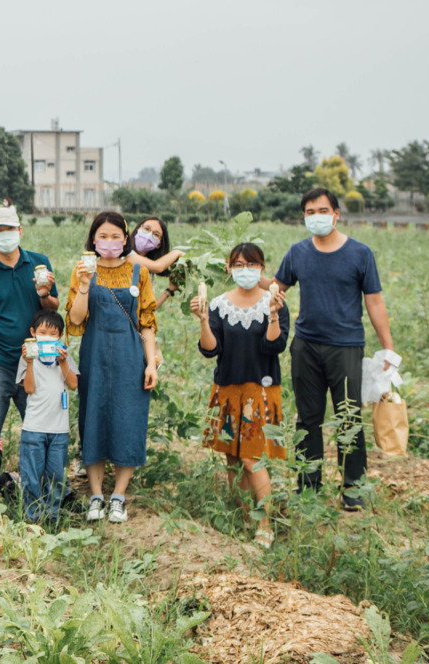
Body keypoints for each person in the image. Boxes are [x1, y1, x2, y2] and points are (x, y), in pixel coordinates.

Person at [271, 187, 394, 510]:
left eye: (322, 211)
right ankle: (308, 487)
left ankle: (353, 487)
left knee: (349, 417)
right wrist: (243, 271)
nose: (316, 217)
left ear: (336, 214)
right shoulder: (297, 253)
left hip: (346, 348)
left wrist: (388, 350)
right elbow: (276, 286)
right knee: (307, 419)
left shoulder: (360, 254)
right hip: (306, 347)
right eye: (310, 213)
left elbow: (375, 302)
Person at [191, 243, 289, 548]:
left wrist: (272, 316)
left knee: (251, 458)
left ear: (262, 268)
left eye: (252, 265)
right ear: (228, 268)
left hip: (259, 391)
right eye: (239, 265)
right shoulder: (219, 305)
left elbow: (273, 347)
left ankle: (264, 525)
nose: (245, 270)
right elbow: (211, 350)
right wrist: (204, 320)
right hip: (228, 389)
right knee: (232, 457)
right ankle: (242, 516)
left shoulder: (274, 303)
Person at [66, 210, 161, 524]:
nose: (109, 242)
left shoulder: (138, 272)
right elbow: (76, 321)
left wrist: (151, 364)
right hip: (94, 355)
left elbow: (146, 324)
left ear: (126, 239)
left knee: (128, 419)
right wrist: (82, 285)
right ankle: (95, 495)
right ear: (93, 239)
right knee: (92, 418)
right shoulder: (83, 271)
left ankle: (118, 496)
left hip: (130, 357)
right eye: (102, 236)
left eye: (116, 236)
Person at [0, 202, 58, 498]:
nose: (4, 235)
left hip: (34, 363)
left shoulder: (39, 265)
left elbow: (54, 311)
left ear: (20, 230)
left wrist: (45, 295)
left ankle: (44, 488)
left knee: (41, 428)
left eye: (9, 229)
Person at [16, 311, 78, 521]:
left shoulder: (64, 355)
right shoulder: (27, 358)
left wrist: (62, 363)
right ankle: (32, 515)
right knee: (31, 476)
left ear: (59, 336)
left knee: (56, 476)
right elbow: (29, 389)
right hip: (34, 427)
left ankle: (52, 516)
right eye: (42, 332)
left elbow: (73, 384)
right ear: (33, 333)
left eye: (53, 333)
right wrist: (30, 362)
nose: (47, 337)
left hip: (59, 429)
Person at [127, 217, 186, 310]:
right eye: (146, 229)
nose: (149, 235)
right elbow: (158, 267)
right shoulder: (126, 254)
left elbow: (148, 309)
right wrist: (177, 252)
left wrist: (169, 291)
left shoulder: (147, 270)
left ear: (158, 244)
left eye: (156, 234)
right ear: (138, 228)